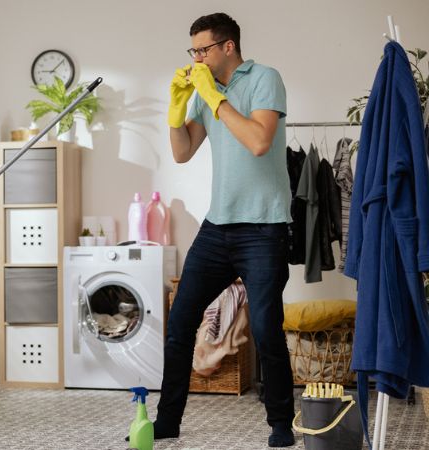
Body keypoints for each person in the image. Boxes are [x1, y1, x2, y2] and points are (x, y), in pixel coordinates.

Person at [159, 12, 295, 447]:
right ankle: (167, 422)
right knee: (180, 323)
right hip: (218, 226)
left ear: (228, 47)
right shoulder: (205, 91)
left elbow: (258, 141)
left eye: (202, 49)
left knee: (266, 328)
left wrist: (213, 97)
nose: (196, 57)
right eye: (192, 51)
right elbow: (182, 153)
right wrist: (177, 108)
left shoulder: (264, 78)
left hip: (264, 227)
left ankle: (280, 424)